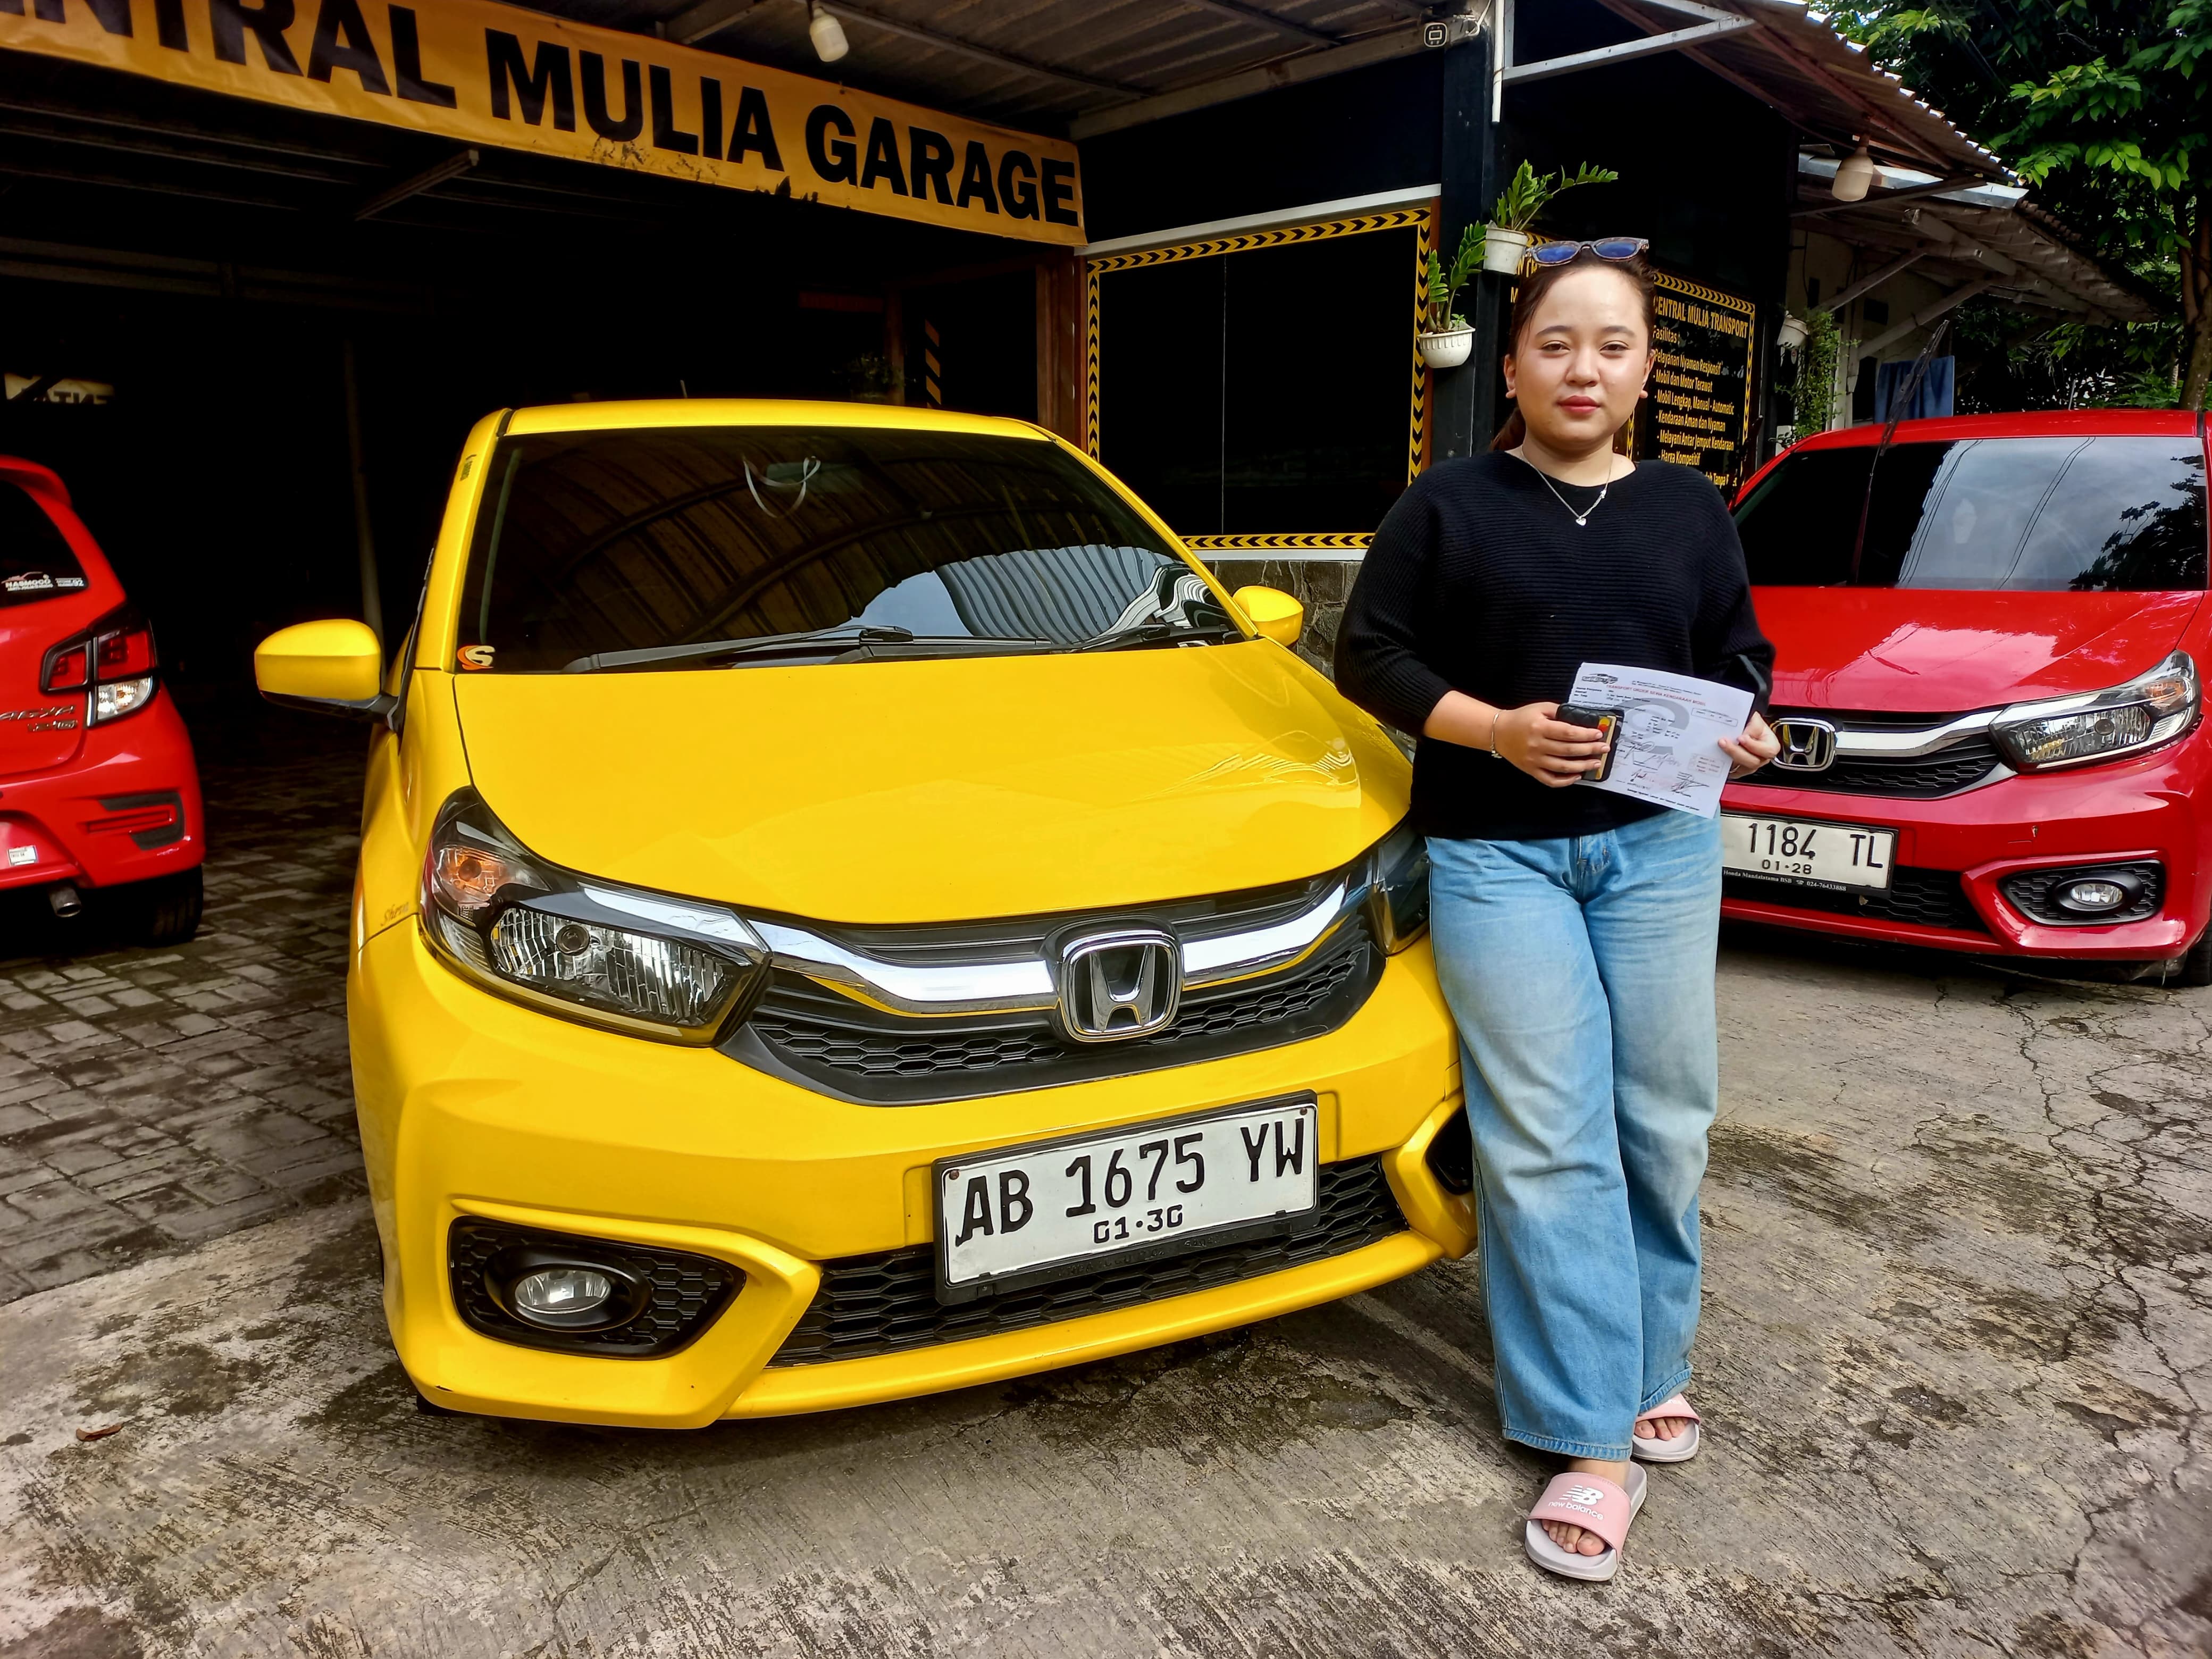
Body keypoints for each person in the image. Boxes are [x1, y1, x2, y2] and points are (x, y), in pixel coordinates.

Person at [1334, 240, 1779, 1583]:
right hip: (1496, 856)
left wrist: (1750, 721)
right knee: (1546, 1131)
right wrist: (1495, 730)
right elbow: (1369, 654)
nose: (1583, 368)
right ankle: (1588, 1436)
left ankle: (1651, 1364)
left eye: (1613, 346)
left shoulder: (1690, 509)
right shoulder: (1447, 503)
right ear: (1514, 368)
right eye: (1556, 344)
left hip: (1659, 849)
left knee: (1666, 1115)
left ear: (1644, 375)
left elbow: (1736, 652)